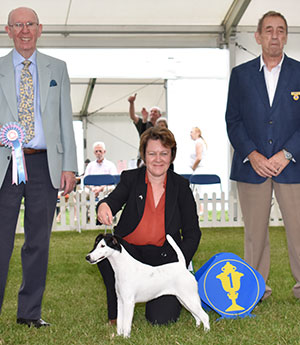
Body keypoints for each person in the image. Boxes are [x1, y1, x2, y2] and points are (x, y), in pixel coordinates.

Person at [0, 7, 77, 327]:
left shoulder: (57, 68)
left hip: (45, 166)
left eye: (29, 24)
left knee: (38, 242)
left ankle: (29, 313)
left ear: (40, 28)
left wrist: (70, 165)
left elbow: (65, 119)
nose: (24, 30)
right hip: (5, 165)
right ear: (8, 31)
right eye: (17, 25)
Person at [225, 11, 300, 300]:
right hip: (251, 167)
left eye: (281, 30)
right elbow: (233, 120)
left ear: (286, 37)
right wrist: (252, 155)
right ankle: (255, 288)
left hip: (292, 166)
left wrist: (287, 153)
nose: (275, 36)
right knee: (255, 233)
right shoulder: (240, 75)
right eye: (268, 30)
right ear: (258, 37)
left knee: (298, 230)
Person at [96, 127, 201, 325]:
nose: (158, 159)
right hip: (129, 251)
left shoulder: (181, 186)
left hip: (164, 259)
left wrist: (179, 266)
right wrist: (104, 206)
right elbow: (113, 200)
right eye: (152, 153)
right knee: (107, 255)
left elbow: (192, 233)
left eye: (164, 153)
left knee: (161, 319)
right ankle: (115, 315)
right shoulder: (130, 178)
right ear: (143, 155)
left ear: (172, 155)